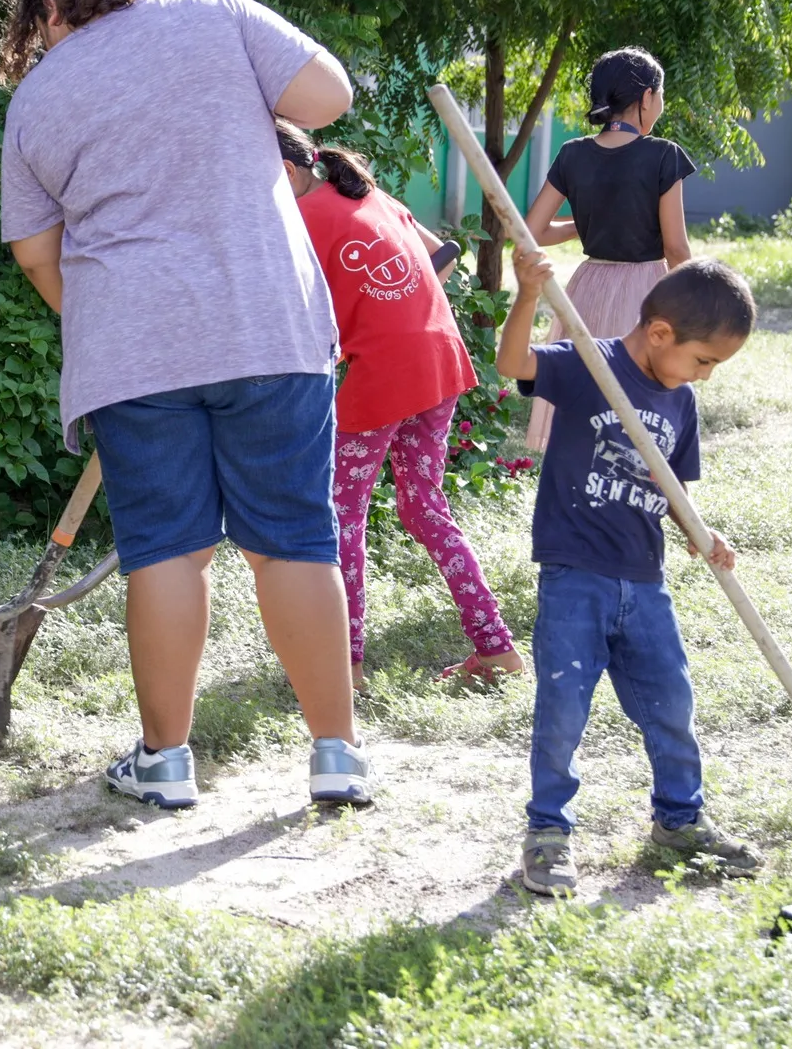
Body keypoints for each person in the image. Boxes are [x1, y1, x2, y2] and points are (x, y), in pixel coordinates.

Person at [0, 0, 371, 810]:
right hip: (266, 326)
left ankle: (165, 763)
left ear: (49, 7)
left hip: (131, 350)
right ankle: (336, 755)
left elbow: (36, 255)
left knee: (166, 549)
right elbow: (330, 99)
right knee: (293, 538)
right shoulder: (216, 13)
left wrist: (108, 325)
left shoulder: (38, 97)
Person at [498, 251, 765, 896]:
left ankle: (680, 819)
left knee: (672, 704)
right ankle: (548, 833)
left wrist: (702, 531)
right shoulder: (592, 364)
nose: (705, 375)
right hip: (575, 575)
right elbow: (513, 364)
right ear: (660, 333)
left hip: (645, 580)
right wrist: (528, 292)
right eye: (705, 359)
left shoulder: (681, 401)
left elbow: (671, 485)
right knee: (563, 707)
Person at [275, 123, 522, 689]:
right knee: (423, 507)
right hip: (438, 361)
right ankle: (495, 647)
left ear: (288, 172)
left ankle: (347, 665)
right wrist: (391, 311)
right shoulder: (370, 195)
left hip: (383, 377)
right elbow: (445, 257)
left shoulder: (298, 219)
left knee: (342, 517)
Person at [522, 47, 697, 451]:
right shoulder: (663, 155)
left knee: (588, 394)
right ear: (647, 97)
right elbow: (676, 248)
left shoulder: (573, 153)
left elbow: (532, 231)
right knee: (638, 402)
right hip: (644, 290)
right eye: (661, 96)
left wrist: (582, 229)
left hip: (587, 289)